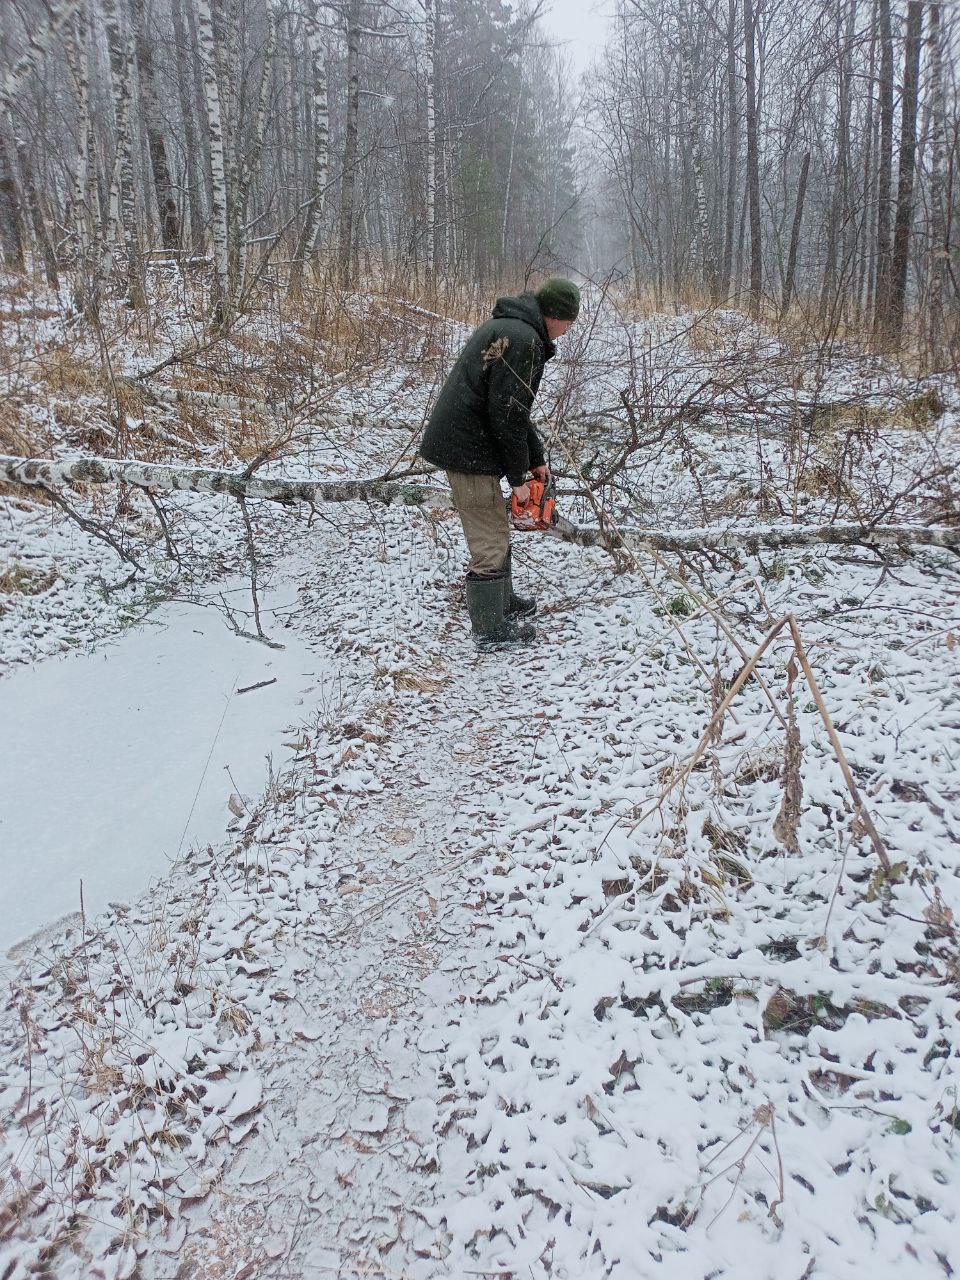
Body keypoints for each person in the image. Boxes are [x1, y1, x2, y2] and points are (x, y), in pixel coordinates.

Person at [419, 277, 580, 648]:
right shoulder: (523, 340)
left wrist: (536, 458)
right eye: (568, 323)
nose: (567, 331)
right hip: (467, 447)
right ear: (554, 315)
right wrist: (518, 478)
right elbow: (506, 414)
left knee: (495, 526)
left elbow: (516, 408)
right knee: (489, 536)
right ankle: (489, 631)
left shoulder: (514, 328)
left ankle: (503, 603)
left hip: (474, 440)